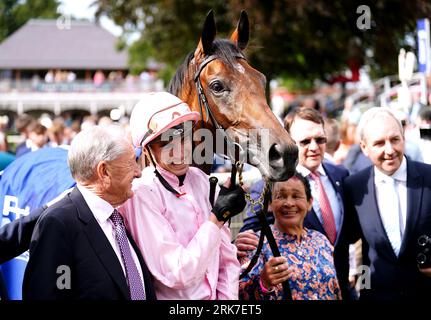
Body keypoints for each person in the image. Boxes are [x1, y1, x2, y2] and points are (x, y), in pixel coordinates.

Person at [119, 92, 246, 300]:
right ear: (149, 149)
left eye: (184, 139)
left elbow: (227, 260)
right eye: (166, 144)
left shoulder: (201, 180)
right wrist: (216, 220)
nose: (179, 152)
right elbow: (177, 272)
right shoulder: (141, 194)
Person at [22, 125, 156, 300]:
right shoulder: (58, 224)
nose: (138, 172)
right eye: (131, 163)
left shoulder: (116, 216)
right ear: (104, 171)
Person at [237, 107, 351, 298]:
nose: (314, 147)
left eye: (320, 139)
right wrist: (241, 242)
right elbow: (250, 240)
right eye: (305, 141)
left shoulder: (341, 175)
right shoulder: (266, 187)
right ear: (289, 143)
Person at [344, 107, 431, 300]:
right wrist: (363, 288)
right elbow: (356, 245)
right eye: (379, 143)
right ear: (364, 148)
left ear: (404, 138)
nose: (389, 150)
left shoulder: (429, 177)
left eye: (394, 140)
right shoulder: (354, 187)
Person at [239, 172, 341, 300]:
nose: (289, 203)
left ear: (309, 203)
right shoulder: (255, 244)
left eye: (296, 196)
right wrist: (263, 284)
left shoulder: (321, 240)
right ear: (270, 204)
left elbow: (336, 290)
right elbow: (239, 297)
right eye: (281, 196)